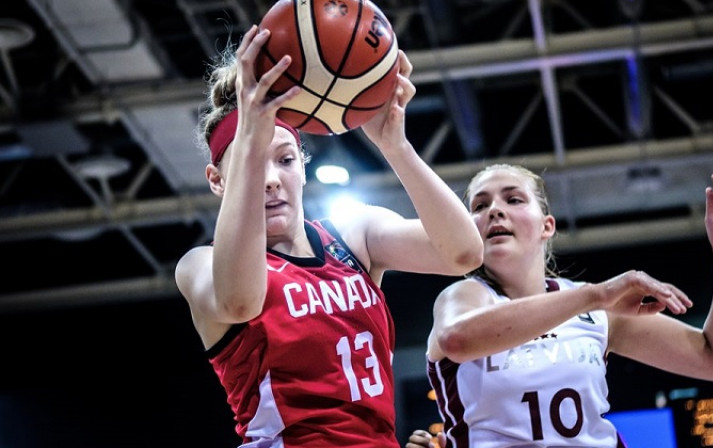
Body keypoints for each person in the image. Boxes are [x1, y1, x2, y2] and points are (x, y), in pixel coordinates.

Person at [174, 24, 484, 448]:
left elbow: (464, 254)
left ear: (302, 165)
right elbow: (240, 301)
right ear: (217, 180)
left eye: (284, 159)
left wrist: (395, 145)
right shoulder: (199, 265)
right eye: (250, 162)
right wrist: (248, 135)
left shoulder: (353, 234)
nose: (270, 180)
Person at [406, 164, 713, 448]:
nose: (495, 210)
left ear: (547, 226)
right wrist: (595, 295)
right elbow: (457, 339)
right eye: (480, 206)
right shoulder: (465, 296)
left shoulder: (596, 311)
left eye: (513, 199)